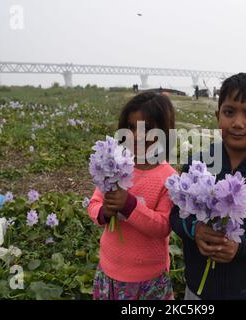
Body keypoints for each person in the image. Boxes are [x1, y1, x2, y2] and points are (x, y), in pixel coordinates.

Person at [170, 72, 246, 300]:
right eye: (229, 112)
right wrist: (194, 229)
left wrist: (241, 247)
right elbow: (176, 215)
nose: (238, 123)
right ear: (218, 116)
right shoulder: (199, 165)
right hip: (197, 289)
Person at [88, 92, 177, 300]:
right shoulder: (115, 167)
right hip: (109, 269)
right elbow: (94, 204)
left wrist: (129, 205)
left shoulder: (169, 178)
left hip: (149, 278)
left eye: (147, 128)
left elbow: (163, 226)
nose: (136, 136)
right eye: (130, 127)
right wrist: (105, 212)